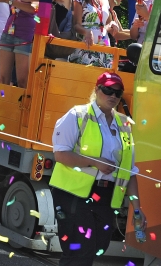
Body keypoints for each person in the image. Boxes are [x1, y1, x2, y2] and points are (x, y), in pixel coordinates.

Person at [50, 72, 145, 265]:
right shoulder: (77, 115)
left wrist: (137, 209)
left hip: (106, 197)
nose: (112, 95)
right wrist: (94, 161)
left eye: (118, 93)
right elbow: (60, 155)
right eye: (107, 90)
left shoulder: (124, 125)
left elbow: (129, 171)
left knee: (97, 249)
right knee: (79, 253)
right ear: (96, 90)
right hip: (75, 194)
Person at [70, 0, 116, 67]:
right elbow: (76, 25)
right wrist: (86, 31)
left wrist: (112, 25)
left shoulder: (104, 0)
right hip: (85, 47)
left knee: (103, 80)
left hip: (104, 46)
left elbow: (107, 25)